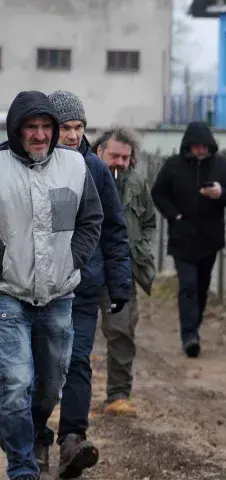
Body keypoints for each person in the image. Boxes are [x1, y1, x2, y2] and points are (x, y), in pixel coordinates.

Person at [28, 91, 133, 478]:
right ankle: (37, 435)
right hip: (35, 287)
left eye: (79, 127)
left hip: (83, 286)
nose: (73, 135)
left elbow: (114, 231)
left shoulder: (95, 169)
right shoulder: (28, 167)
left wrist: (120, 286)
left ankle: (73, 439)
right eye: (66, 128)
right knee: (40, 368)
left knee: (76, 361)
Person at [0, 90, 103, 480]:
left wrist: (71, 260)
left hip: (60, 294)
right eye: (32, 127)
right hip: (9, 293)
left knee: (50, 386)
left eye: (46, 127)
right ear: (17, 130)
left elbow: (92, 218)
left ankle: (16, 429)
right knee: (15, 382)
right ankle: (23, 465)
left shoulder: (74, 166)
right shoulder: (0, 166)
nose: (40, 135)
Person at [151, 121, 226, 357]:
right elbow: (158, 193)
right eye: (196, 147)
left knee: (202, 288)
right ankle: (189, 335)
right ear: (188, 146)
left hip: (209, 239)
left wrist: (220, 193)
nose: (201, 151)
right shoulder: (173, 166)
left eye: (205, 147)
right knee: (188, 286)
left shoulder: (222, 166)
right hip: (181, 238)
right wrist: (174, 215)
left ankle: (195, 326)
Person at [92, 127, 157, 418]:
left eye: (125, 157)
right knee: (66, 334)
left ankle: (118, 395)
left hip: (121, 270)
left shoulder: (138, 185)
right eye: (114, 156)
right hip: (81, 267)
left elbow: (148, 222)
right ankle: (61, 394)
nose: (119, 162)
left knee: (121, 331)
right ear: (99, 152)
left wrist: (140, 246)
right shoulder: (81, 177)